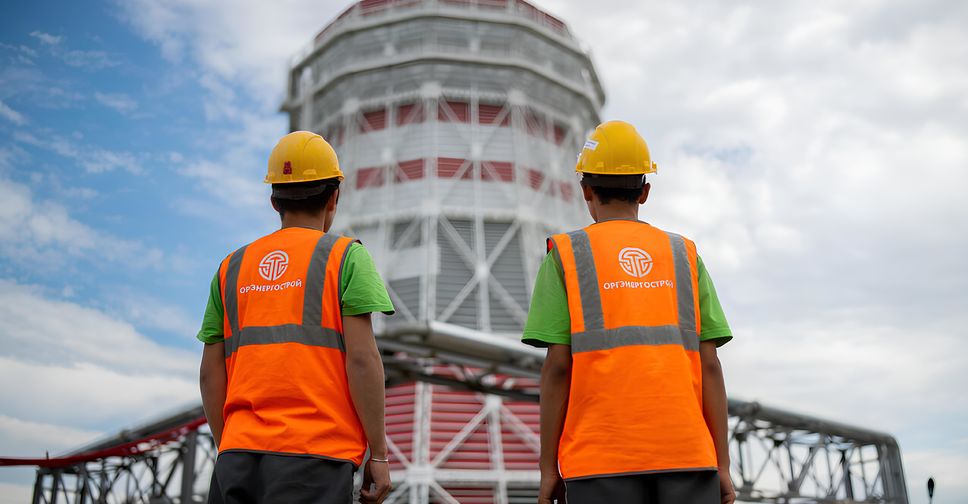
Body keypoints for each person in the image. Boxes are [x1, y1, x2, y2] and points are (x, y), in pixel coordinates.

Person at [523, 121, 737, 504]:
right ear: (645, 191)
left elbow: (557, 368)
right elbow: (710, 366)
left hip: (598, 461)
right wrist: (722, 465)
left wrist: (548, 468)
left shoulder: (565, 255)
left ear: (586, 190)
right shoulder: (684, 255)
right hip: (689, 456)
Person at [197, 131, 394, 504]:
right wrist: (379, 454)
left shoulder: (231, 267)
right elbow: (362, 360)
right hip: (316, 456)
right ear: (334, 197)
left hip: (236, 457)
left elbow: (210, 373)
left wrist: (231, 447)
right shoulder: (346, 257)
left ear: (274, 201)